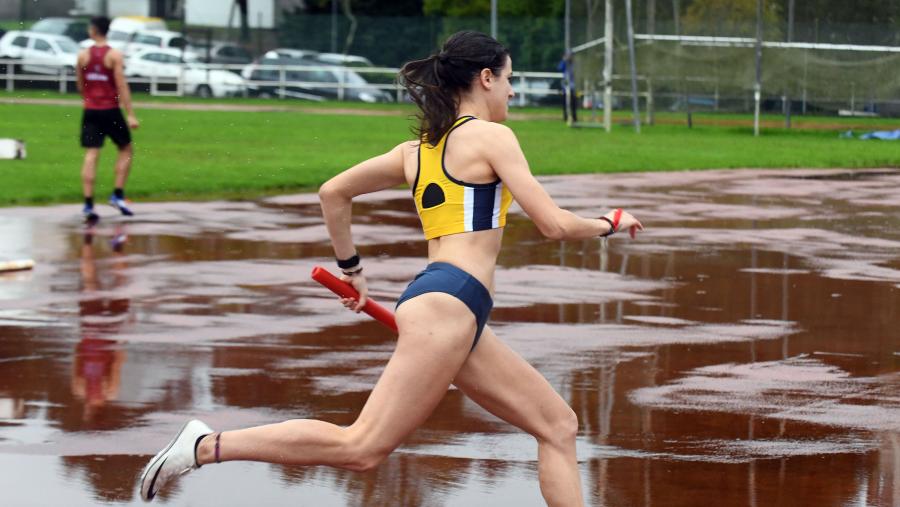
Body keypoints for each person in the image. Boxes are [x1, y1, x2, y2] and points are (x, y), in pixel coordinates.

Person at [139, 30, 642, 506]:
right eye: (510, 79)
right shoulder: (492, 138)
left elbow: (333, 192)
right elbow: (553, 225)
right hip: (450, 304)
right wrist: (608, 222)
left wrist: (352, 268)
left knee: (557, 425)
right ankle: (205, 445)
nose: (512, 92)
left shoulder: (414, 151)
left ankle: (204, 445)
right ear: (485, 78)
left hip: (448, 303)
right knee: (362, 446)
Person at [76, 16, 139, 224]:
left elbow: (80, 85)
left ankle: (88, 203)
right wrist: (129, 113)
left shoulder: (83, 56)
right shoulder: (114, 55)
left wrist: (90, 98)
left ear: (93, 30)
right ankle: (117, 194)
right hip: (110, 110)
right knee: (126, 148)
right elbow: (121, 85)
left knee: (92, 154)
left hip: (91, 110)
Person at [557, 51, 578, 124]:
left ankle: (574, 118)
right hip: (565, 88)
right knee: (565, 104)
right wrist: (564, 60)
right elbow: (559, 68)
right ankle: (565, 117)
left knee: (573, 104)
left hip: (572, 87)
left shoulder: (574, 65)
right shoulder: (564, 64)